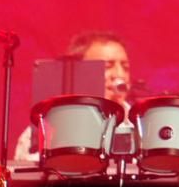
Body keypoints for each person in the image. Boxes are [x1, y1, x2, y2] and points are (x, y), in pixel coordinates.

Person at [10, 30, 134, 167]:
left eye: (125, 67)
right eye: (107, 66)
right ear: (78, 72)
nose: (119, 74)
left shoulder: (141, 125)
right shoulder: (45, 126)